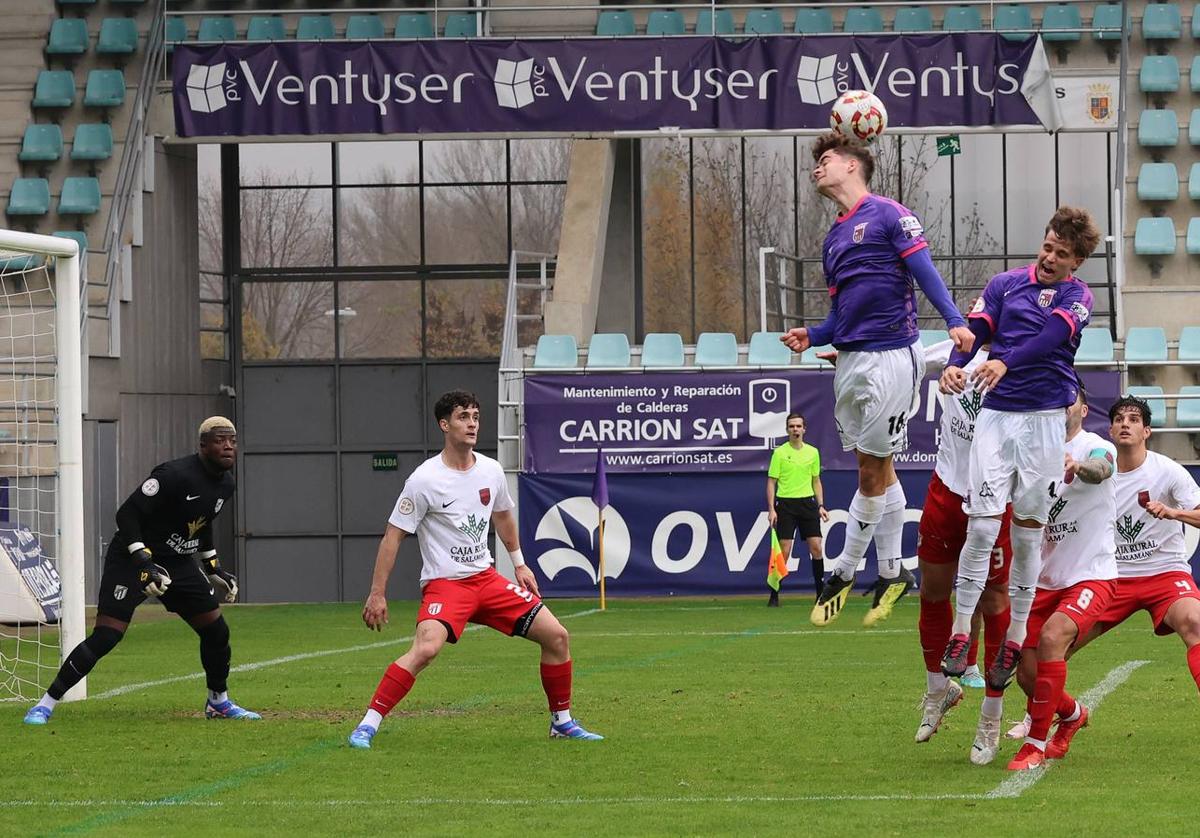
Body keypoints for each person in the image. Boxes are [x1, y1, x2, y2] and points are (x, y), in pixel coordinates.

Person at [781, 132, 974, 628]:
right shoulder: (833, 238)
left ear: (851, 164)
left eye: (824, 160)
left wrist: (953, 318)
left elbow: (924, 270)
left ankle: (843, 570)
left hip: (892, 357)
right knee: (876, 467)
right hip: (850, 360)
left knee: (871, 472)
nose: (816, 169)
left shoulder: (889, 213)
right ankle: (892, 570)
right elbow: (842, 311)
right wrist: (815, 333)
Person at [347, 390, 603, 749]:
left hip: (487, 581)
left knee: (557, 636)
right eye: (463, 417)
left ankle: (561, 722)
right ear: (444, 424)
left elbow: (502, 517)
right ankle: (367, 725)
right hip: (446, 586)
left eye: (475, 417)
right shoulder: (424, 480)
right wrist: (377, 593)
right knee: (426, 649)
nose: (471, 424)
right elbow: (393, 537)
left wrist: (519, 564)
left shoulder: (491, 470)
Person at [938, 206, 1101, 692]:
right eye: (1048, 245)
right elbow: (978, 332)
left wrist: (1005, 361)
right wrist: (954, 362)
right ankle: (961, 632)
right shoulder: (1005, 283)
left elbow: (1052, 338)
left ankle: (1012, 638)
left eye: (1062, 253)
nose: (1050, 256)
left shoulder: (1077, 296)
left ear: (1076, 262)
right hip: (996, 418)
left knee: (1029, 534)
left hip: (1046, 424)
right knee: (983, 525)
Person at [23, 418, 253, 725]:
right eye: (220, 440)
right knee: (106, 636)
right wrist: (143, 562)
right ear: (202, 445)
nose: (228, 446)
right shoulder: (173, 475)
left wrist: (213, 567)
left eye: (232, 440)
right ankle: (45, 704)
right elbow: (126, 514)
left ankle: (218, 702)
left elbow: (202, 523)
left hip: (179, 563)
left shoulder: (226, 484)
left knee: (216, 630)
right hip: (133, 557)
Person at [1006, 395, 1200, 751]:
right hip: (1112, 576)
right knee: (1039, 660)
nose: (1126, 423)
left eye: (1134, 419)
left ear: (1147, 431)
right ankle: (1052, 715)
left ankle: (1038, 729)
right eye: (1119, 419)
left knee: (1195, 622)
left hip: (1163, 574)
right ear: (1110, 429)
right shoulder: (1096, 464)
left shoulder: (1166, 471)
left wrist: (1174, 514)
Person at [995, 387, 1117, 770]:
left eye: (1069, 401)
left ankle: (1033, 746)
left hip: (1091, 574)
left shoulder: (1094, 446)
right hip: (1042, 579)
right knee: (1028, 677)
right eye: (1055, 401)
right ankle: (1073, 713)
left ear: (1082, 407)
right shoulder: (1028, 449)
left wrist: (1077, 467)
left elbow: (1103, 469)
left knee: (1052, 639)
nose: (1062, 407)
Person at [913, 340, 1013, 753]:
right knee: (932, 591)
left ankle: (992, 715)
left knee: (994, 603)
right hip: (946, 490)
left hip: (994, 498)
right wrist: (852, 355)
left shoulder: (1023, 359)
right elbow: (907, 357)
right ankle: (939, 690)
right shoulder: (958, 348)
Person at [766, 412, 829, 606]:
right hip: (785, 504)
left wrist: (820, 505)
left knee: (816, 547)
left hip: (807, 504)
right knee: (784, 551)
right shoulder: (780, 453)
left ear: (804, 429)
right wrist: (771, 509)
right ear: (787, 430)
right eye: (791, 426)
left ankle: (820, 593)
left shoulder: (813, 452)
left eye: (798, 426)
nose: (795, 429)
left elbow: (816, 481)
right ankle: (774, 593)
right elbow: (771, 482)